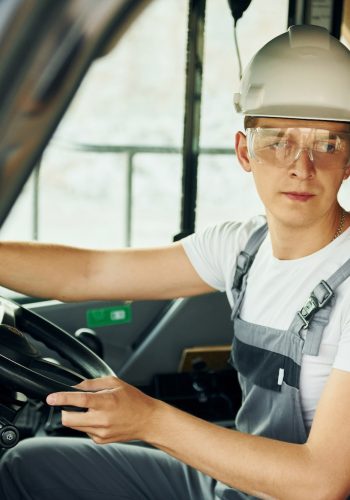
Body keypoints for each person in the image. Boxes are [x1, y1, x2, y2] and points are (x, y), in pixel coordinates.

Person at [1, 23, 350, 499]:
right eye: (277, 139)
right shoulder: (241, 247)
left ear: (349, 159)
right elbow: (91, 272)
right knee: (27, 465)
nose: (300, 167)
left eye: (327, 144)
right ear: (245, 151)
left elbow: (321, 482)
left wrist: (149, 419)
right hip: (234, 486)